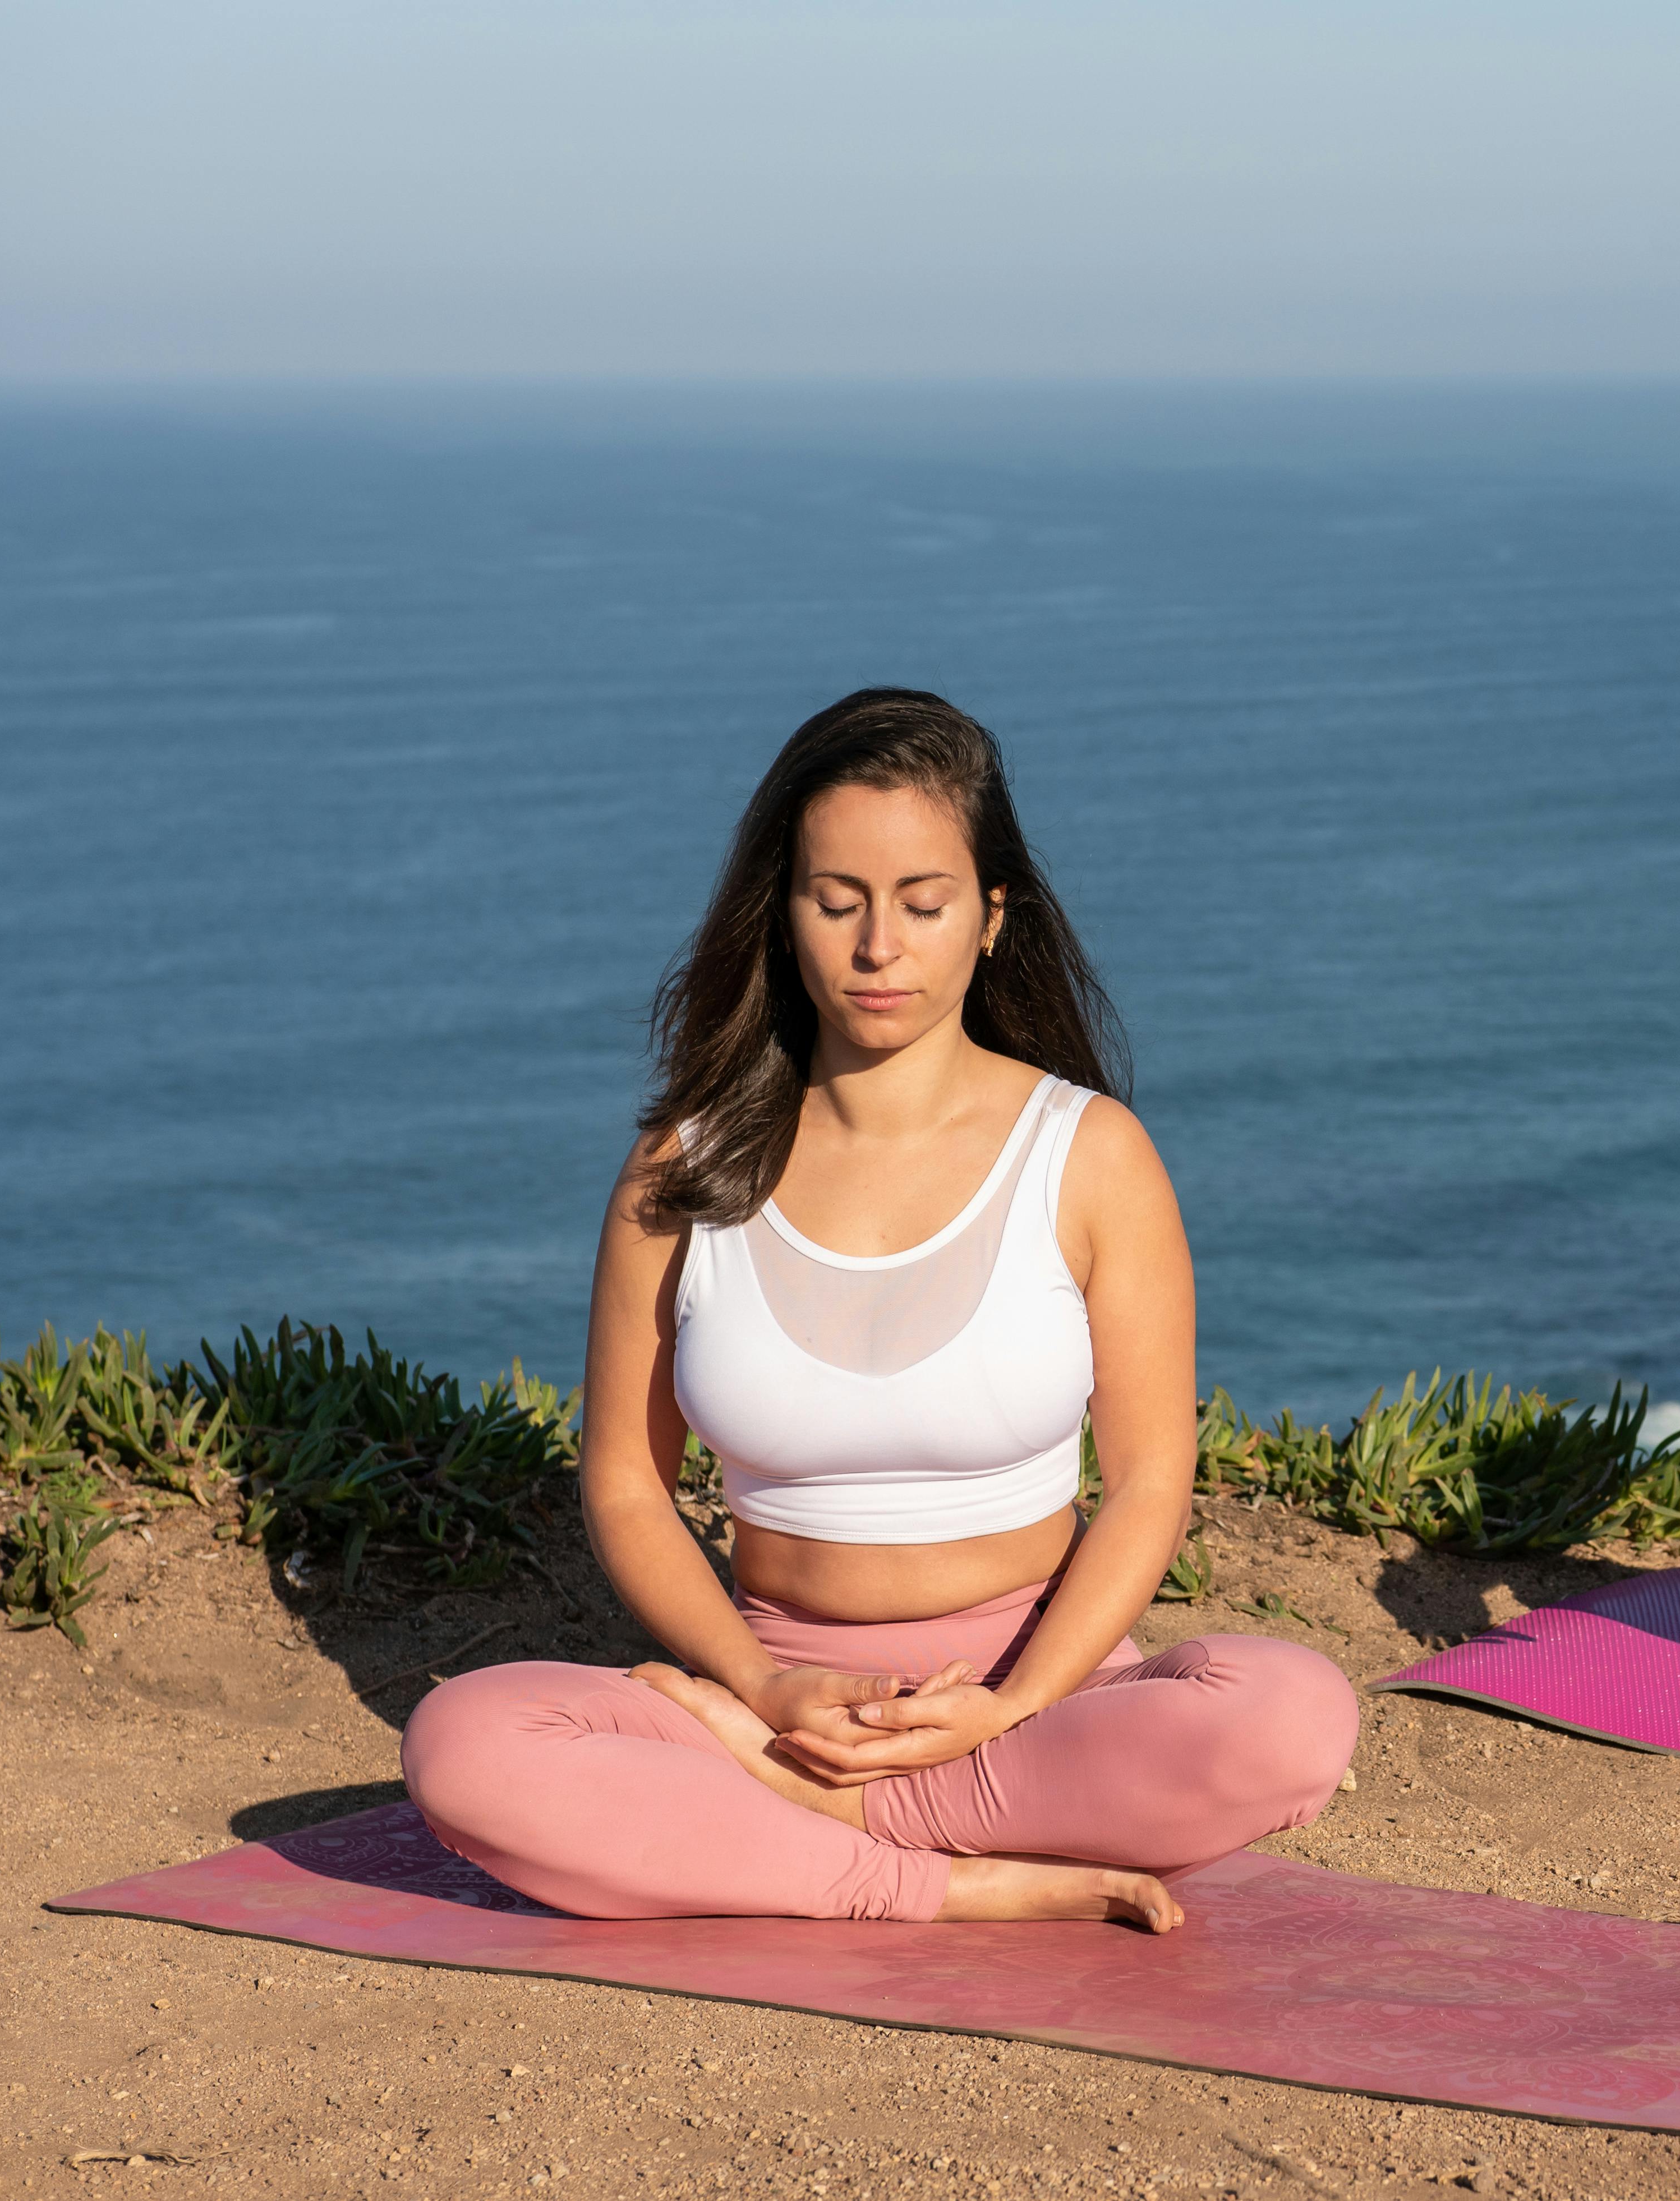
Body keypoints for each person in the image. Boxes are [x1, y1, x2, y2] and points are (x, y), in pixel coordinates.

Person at [403, 689, 1357, 1927]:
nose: (877, 949)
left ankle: (802, 1826)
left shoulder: (1088, 1155)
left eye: (922, 902)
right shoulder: (682, 1169)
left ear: (991, 917)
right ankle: (937, 1877)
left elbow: (1146, 1486)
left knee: (1290, 1717)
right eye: (836, 900)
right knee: (467, 1742)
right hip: (778, 1694)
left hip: (1034, 1696)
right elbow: (629, 1486)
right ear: (782, 913)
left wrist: (1010, 1706)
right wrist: (757, 1690)